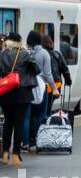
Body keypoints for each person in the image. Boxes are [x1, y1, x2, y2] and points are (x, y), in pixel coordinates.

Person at [0, 35, 39, 165]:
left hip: (6, 93)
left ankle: (5, 153)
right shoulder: (25, 54)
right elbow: (37, 70)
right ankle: (16, 154)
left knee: (8, 122)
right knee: (19, 124)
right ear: (20, 42)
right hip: (22, 93)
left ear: (8, 42)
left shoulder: (2, 54)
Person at [24, 30, 54, 152]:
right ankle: (38, 141)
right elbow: (48, 74)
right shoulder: (44, 53)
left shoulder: (24, 52)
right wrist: (55, 89)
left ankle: (25, 143)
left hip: (27, 87)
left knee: (26, 116)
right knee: (41, 115)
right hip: (41, 87)